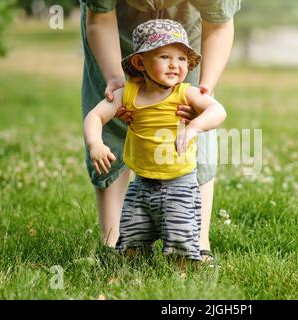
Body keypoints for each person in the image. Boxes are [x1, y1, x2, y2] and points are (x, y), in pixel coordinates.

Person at [80, 0, 241, 262]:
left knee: (181, 231)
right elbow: (97, 115)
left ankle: (195, 249)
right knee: (133, 231)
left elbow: (217, 111)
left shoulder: (184, 92)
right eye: (165, 57)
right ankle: (115, 247)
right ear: (140, 63)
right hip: (142, 183)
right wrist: (97, 141)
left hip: (180, 183)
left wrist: (199, 112)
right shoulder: (127, 94)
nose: (174, 65)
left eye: (180, 59)